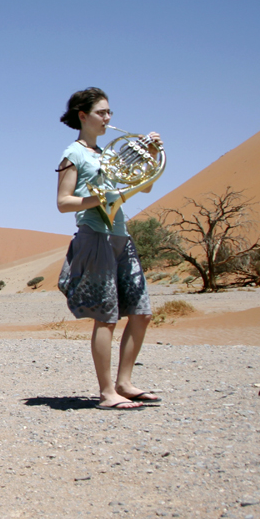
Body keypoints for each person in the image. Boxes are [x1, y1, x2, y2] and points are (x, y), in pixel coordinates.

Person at [55, 87, 162, 410]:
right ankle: (106, 393)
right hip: (94, 235)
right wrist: (96, 199)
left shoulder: (107, 155)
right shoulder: (72, 154)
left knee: (141, 313)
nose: (108, 118)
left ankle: (124, 382)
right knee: (107, 318)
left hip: (120, 235)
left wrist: (152, 155)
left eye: (110, 112)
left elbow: (146, 185)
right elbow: (63, 203)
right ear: (83, 116)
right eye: (102, 113)